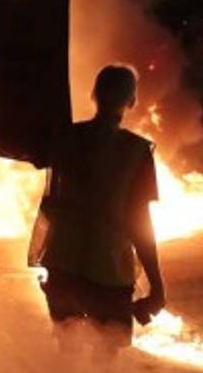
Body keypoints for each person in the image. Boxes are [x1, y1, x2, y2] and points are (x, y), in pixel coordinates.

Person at [28, 64, 166, 352]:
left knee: (68, 353)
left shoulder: (64, 138)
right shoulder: (136, 152)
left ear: (94, 95)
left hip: (63, 265)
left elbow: (20, 147)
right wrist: (157, 285)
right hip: (109, 273)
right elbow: (139, 223)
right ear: (132, 101)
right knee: (105, 363)